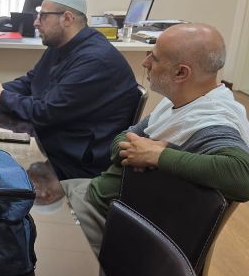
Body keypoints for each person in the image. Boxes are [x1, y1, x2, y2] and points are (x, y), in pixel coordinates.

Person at [61, 23, 249, 255]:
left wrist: (157, 155)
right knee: (30, 195)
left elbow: (243, 175)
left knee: (31, 227)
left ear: (181, 73)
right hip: (95, 195)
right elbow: (121, 140)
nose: (145, 62)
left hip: (112, 223)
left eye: (155, 58)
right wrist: (135, 152)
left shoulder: (212, 121)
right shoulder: (177, 101)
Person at [0, 0, 140, 180]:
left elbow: (46, 112)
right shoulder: (62, 44)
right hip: (55, 139)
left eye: (43, 16)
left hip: (75, 160)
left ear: (67, 18)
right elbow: (31, 80)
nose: (36, 22)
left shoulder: (95, 60)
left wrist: (1, 95)